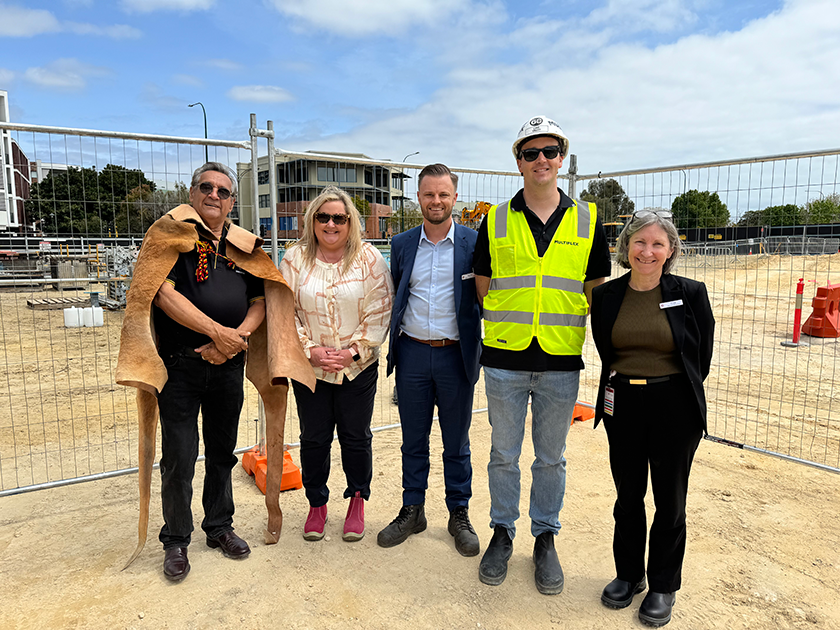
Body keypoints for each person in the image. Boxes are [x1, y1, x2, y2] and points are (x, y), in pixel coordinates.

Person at [116, 162, 315, 582]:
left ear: (231, 202)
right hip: (180, 366)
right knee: (180, 456)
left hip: (229, 365)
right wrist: (216, 332)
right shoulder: (169, 236)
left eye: (223, 191)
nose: (214, 195)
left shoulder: (243, 246)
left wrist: (235, 339)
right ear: (192, 194)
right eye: (206, 187)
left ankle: (219, 526)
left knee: (222, 452)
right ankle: (175, 539)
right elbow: (161, 294)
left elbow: (260, 300)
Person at [474, 115, 611, 594]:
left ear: (561, 158)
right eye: (530, 153)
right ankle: (502, 532)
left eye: (550, 151)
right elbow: (484, 286)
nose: (541, 160)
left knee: (551, 459)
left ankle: (545, 537)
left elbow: (596, 290)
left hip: (559, 360)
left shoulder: (587, 220)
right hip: (505, 359)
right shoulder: (494, 220)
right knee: (503, 455)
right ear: (518, 162)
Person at [590, 210, 714, 627]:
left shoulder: (691, 293)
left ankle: (663, 584)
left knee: (669, 500)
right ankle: (629, 575)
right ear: (626, 246)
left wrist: (670, 390)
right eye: (639, 242)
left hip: (675, 405)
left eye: (658, 243)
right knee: (628, 496)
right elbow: (606, 347)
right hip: (622, 403)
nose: (647, 251)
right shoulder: (606, 296)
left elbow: (701, 355)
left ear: (671, 249)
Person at [377, 163, 483, 556]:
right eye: (428, 194)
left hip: (457, 355)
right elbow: (397, 293)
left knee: (457, 441)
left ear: (455, 197)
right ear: (418, 197)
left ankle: (459, 512)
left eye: (443, 194)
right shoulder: (403, 244)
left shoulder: (475, 243)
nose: (436, 201)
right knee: (412, 439)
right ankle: (413, 509)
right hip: (413, 355)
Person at [279, 186, 394, 543]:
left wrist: (353, 351)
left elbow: (381, 307)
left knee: (355, 437)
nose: (331, 224)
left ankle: (357, 499)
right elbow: (284, 309)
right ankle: (317, 503)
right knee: (313, 438)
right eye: (323, 217)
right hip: (310, 368)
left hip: (356, 368)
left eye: (339, 218)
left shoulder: (369, 259)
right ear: (312, 220)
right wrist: (309, 349)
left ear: (350, 222)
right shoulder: (294, 259)